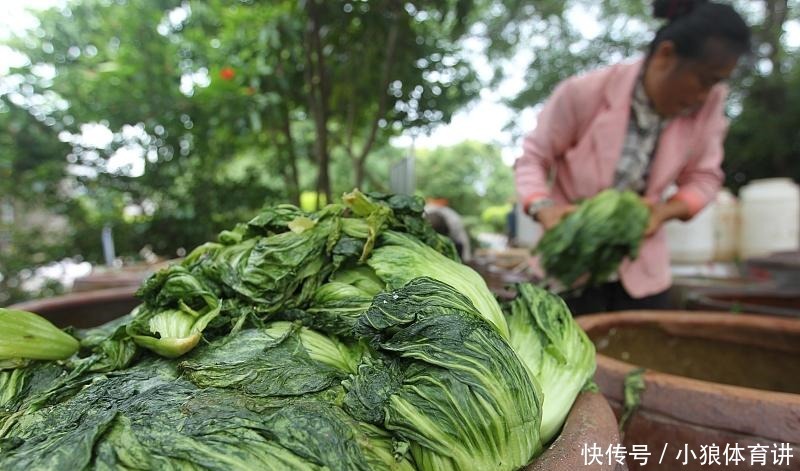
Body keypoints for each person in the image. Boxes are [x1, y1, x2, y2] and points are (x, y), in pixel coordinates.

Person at [514, 0, 750, 315]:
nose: (705, 95)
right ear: (666, 54)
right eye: (704, 80)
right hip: (569, 263)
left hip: (642, 275)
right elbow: (533, 158)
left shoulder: (707, 106)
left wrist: (663, 212)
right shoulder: (584, 93)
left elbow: (704, 177)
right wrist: (544, 207)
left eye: (717, 84)